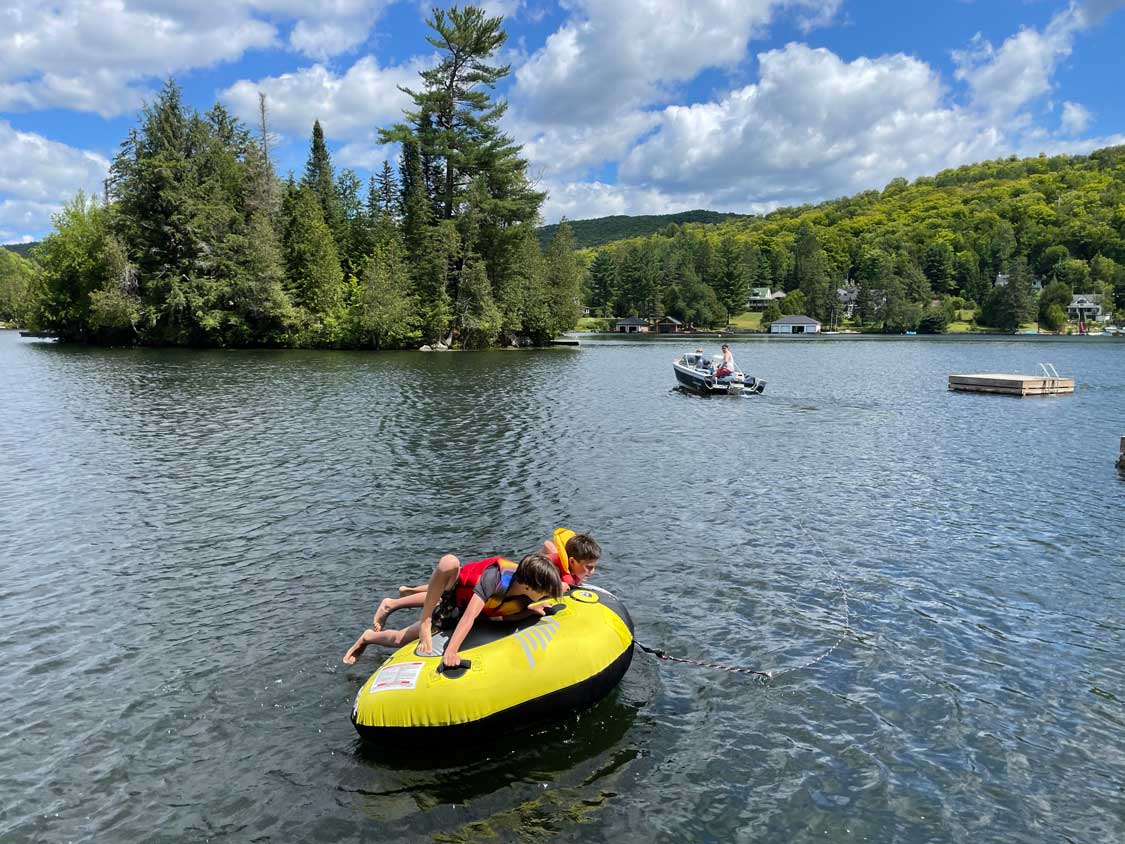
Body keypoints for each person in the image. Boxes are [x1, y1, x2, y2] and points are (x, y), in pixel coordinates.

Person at [343, 552, 563, 667]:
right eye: (543, 592)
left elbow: (503, 616)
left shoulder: (528, 591)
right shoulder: (495, 579)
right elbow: (468, 618)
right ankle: (374, 635)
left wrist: (530, 610)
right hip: (455, 597)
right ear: (527, 586)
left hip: (474, 608)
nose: (546, 596)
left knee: (406, 630)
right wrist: (451, 651)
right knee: (403, 638)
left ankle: (379, 622)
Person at [369, 529, 601, 630]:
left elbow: (549, 546)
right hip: (493, 580)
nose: (592, 572)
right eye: (588, 567)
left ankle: (407, 591)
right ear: (572, 562)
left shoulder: (561, 562)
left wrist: (544, 552)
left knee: (442, 592)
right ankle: (393, 603)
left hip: (504, 576)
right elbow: (558, 586)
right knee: (444, 595)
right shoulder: (564, 578)